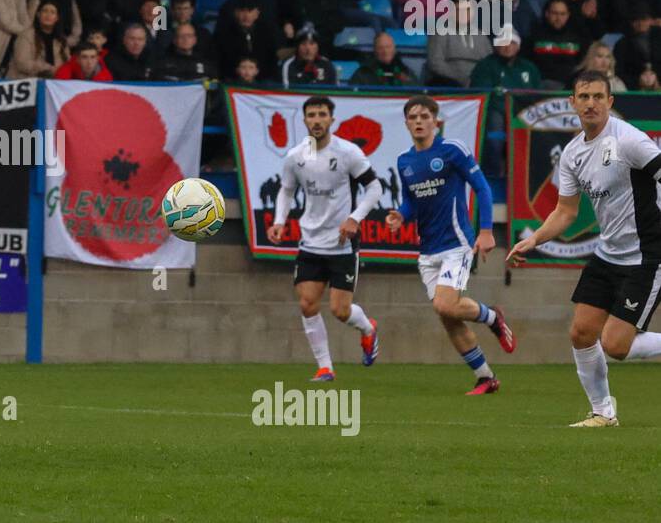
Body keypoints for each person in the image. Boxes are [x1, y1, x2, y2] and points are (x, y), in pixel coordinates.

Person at [508, 72, 661, 426]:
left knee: (616, 346)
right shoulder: (573, 153)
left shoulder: (629, 141)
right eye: (583, 96)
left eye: (597, 96)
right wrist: (534, 240)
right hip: (609, 254)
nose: (590, 103)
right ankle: (603, 413)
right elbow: (566, 211)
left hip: (646, 256)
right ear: (573, 102)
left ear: (610, 102)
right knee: (580, 333)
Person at [385, 95, 515, 395]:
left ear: (435, 121)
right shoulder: (405, 161)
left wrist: (485, 231)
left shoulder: (452, 150)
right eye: (413, 117)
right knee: (448, 316)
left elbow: (481, 187)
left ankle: (493, 316)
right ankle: (486, 377)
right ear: (406, 123)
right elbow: (411, 203)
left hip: (457, 244)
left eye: (424, 116)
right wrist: (400, 216)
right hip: (428, 250)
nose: (418, 121)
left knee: (446, 304)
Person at [266, 96, 383, 380]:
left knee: (340, 311)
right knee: (307, 303)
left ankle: (368, 329)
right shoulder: (295, 156)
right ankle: (325, 367)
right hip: (310, 241)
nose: (316, 120)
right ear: (304, 120)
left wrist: (355, 218)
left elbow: (375, 187)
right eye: (311, 115)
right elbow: (286, 190)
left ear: (331, 119)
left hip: (342, 244)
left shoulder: (348, 152)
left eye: (322, 114)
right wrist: (280, 221)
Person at [425, 0, 492, 86]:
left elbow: (490, 63)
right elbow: (435, 63)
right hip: (449, 82)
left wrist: (478, 79)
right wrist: (461, 78)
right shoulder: (440, 33)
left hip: (479, 82)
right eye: (458, 10)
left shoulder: (482, 36)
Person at [9, 0, 69, 78]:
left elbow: (67, 63)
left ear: (56, 18)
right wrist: (47, 68)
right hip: (26, 82)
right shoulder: (26, 35)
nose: (48, 15)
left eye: (52, 12)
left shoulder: (61, 39)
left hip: (53, 83)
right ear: (38, 15)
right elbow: (22, 63)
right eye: (45, 11)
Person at [350, 32, 417, 85]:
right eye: (381, 48)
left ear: (394, 49)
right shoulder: (363, 73)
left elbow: (416, 95)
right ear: (375, 50)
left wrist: (406, 82)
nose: (385, 51)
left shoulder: (406, 72)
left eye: (388, 47)